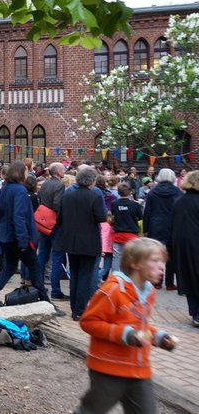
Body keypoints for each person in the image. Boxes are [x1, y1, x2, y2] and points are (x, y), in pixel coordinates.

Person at [74, 237, 178, 414]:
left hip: (139, 369)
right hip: (109, 368)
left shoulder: (149, 291)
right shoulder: (113, 290)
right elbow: (88, 322)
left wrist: (159, 337)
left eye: (163, 261)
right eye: (155, 261)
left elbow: (139, 326)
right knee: (91, 411)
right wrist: (125, 335)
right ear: (135, 263)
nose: (162, 267)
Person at [0, 161, 56, 310]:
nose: (27, 174)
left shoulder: (5, 188)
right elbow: (19, 216)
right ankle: (45, 301)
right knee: (35, 268)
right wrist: (23, 240)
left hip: (7, 236)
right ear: (20, 173)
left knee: (9, 268)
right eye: (26, 171)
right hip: (18, 238)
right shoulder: (20, 190)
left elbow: (0, 212)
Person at [54, 165, 107, 320]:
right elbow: (101, 217)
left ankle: (74, 307)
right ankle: (80, 309)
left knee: (75, 274)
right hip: (89, 241)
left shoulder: (67, 195)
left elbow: (59, 219)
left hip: (70, 240)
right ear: (92, 181)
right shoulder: (95, 196)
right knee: (85, 276)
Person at [143, 168, 183, 291]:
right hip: (172, 225)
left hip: (156, 225)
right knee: (171, 255)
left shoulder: (153, 192)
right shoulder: (178, 192)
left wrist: (145, 228)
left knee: (156, 254)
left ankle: (157, 281)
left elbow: (147, 211)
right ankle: (170, 283)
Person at [170, 170, 199, 326]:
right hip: (195, 241)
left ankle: (195, 313)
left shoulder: (179, 200)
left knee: (187, 275)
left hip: (180, 243)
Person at [110, 182, 142, 276]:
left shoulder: (114, 204)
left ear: (118, 192)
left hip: (118, 234)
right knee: (131, 257)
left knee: (116, 257)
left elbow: (112, 215)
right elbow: (140, 217)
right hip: (132, 235)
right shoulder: (135, 205)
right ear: (130, 192)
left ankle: (115, 277)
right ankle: (129, 276)